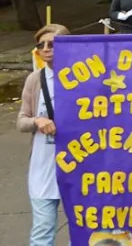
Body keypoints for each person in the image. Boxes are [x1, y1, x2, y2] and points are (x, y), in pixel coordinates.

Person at [18, 23, 70, 246]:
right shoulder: (34, 80)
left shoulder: (84, 78)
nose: (46, 48)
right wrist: (36, 121)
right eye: (42, 45)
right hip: (43, 167)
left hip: (77, 167)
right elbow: (21, 120)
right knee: (42, 233)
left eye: (53, 43)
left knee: (81, 229)